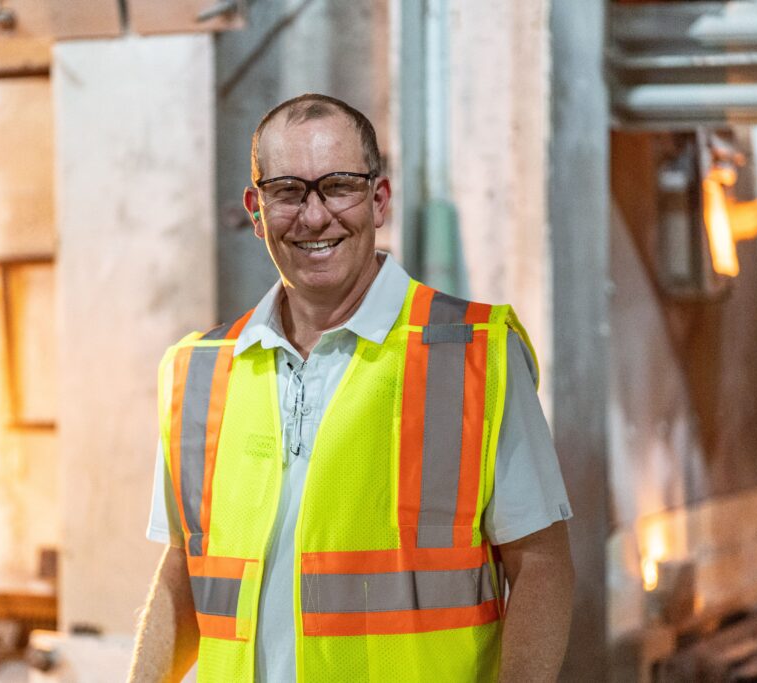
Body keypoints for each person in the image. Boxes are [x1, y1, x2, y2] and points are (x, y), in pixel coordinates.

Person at [128, 93, 574, 683]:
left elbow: (543, 568)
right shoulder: (199, 371)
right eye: (287, 191)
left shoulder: (473, 353)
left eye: (337, 186)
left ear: (378, 198)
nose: (314, 217)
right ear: (255, 209)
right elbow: (182, 576)